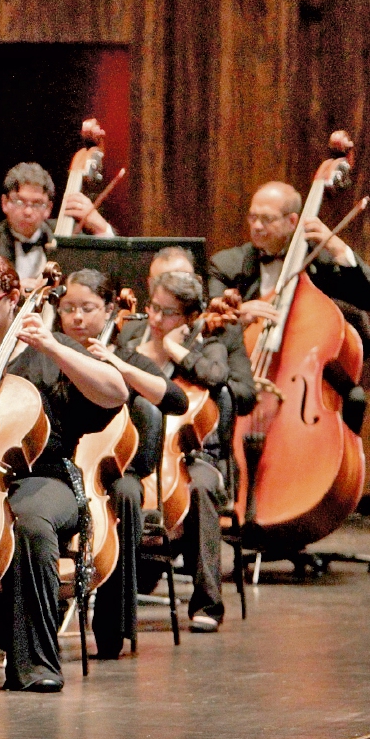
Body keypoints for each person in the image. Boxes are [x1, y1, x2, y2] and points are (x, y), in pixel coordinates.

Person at [0, 256, 126, 689]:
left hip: (43, 476)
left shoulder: (46, 348)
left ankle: (35, 665)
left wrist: (52, 346)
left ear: (13, 300)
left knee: (29, 524)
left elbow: (115, 393)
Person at [55, 268, 189, 657]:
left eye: (87, 308)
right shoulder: (48, 352)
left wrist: (117, 364)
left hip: (115, 471)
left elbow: (175, 401)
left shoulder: (129, 358)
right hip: (59, 465)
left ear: (110, 310)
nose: (77, 318)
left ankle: (112, 629)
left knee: (128, 496)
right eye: (68, 309)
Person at [115, 269, 255, 633]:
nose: (157, 319)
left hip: (193, 454)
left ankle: (207, 600)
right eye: (154, 308)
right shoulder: (131, 334)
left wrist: (176, 350)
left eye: (169, 313)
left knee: (200, 488)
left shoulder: (208, 341)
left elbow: (217, 378)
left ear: (190, 317)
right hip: (135, 449)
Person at [208, 181, 370, 357]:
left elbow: (369, 299)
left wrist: (339, 249)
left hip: (310, 363)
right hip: (247, 366)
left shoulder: (320, 262)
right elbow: (208, 323)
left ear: (292, 221)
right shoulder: (227, 265)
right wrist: (237, 314)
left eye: (267, 219)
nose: (257, 226)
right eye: (253, 217)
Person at [0, 162, 115, 294]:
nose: (27, 211)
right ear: (5, 203)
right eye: (19, 202)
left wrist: (102, 228)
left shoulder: (66, 235)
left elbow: (109, 271)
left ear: (48, 208)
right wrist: (10, 289)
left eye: (37, 204)